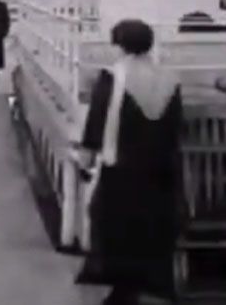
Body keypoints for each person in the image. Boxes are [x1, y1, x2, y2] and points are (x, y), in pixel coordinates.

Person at [76, 19, 183, 305]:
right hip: (158, 167)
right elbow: (175, 126)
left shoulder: (113, 77)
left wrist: (87, 156)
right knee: (149, 225)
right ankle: (150, 283)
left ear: (120, 44)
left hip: (121, 165)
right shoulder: (169, 79)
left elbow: (97, 120)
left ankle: (122, 290)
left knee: (110, 222)